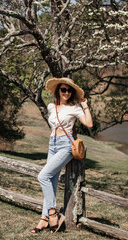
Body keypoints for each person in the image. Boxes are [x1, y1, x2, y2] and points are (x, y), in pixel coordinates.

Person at [31, 77, 93, 234]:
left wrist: (85, 105)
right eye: (63, 89)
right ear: (58, 91)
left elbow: (89, 124)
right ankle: (44, 219)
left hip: (66, 145)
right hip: (52, 144)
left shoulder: (75, 108)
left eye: (69, 90)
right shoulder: (52, 107)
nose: (66, 92)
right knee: (50, 181)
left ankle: (52, 212)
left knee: (43, 176)